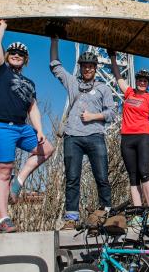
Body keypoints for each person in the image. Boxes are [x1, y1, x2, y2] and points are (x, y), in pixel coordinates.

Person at [0, 22, 55, 233]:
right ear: (8, 56)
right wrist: (2, 26)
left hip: (22, 127)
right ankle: (3, 218)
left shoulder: (30, 82)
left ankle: (20, 180)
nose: (16, 54)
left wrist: (40, 130)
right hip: (1, 126)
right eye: (13, 52)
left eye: (21, 53)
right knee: (3, 171)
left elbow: (33, 108)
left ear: (26, 59)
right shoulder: (1, 72)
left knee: (48, 149)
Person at [50, 38, 116, 229]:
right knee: (72, 178)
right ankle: (72, 217)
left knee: (102, 177)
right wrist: (54, 40)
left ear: (96, 69)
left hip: (96, 136)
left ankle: (106, 213)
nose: (87, 69)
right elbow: (55, 66)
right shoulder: (72, 83)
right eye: (84, 66)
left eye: (91, 66)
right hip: (72, 137)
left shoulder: (103, 88)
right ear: (80, 68)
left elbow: (112, 113)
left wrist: (93, 116)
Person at [109, 50, 149, 226]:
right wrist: (113, 58)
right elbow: (118, 77)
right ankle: (138, 213)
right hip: (127, 138)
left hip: (145, 136)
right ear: (136, 80)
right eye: (140, 79)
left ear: (148, 83)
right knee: (133, 176)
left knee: (144, 172)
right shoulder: (129, 93)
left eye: (145, 81)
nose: (142, 82)